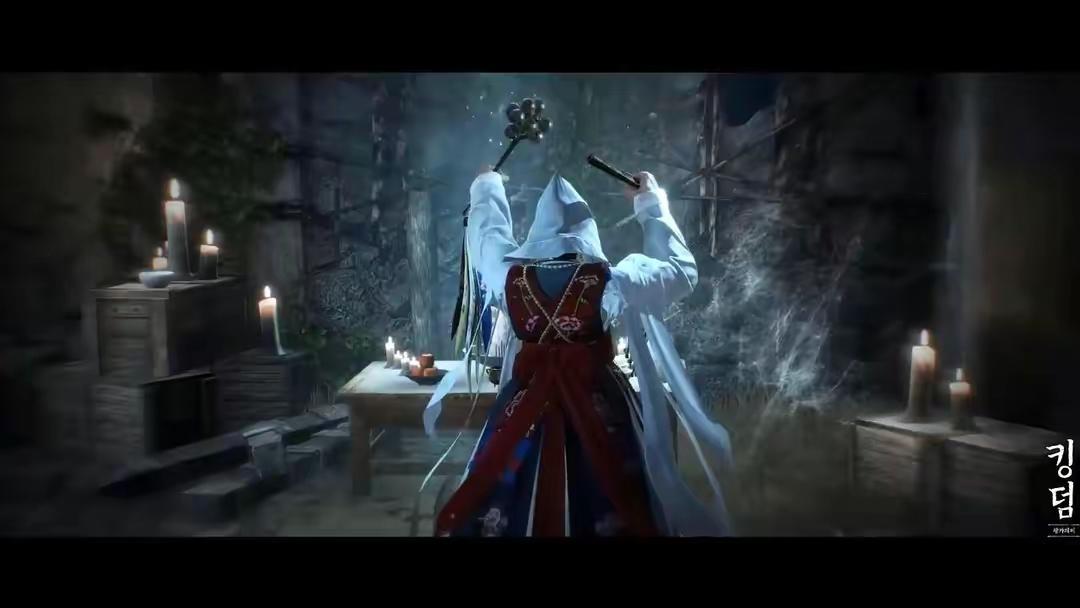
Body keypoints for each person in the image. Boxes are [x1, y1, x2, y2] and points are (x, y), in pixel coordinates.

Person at [424, 166, 732, 537]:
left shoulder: (509, 278)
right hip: (599, 402)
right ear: (587, 230)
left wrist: (487, 186)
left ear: (537, 231)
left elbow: (488, 238)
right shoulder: (613, 281)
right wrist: (650, 204)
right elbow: (682, 273)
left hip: (526, 404)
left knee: (505, 489)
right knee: (615, 487)